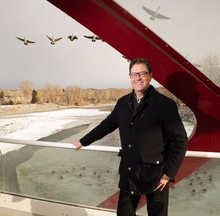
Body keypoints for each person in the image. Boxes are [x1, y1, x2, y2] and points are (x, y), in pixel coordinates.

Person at [71, 58, 188, 216]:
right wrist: (82, 141)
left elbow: (180, 141)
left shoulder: (164, 105)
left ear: (150, 76)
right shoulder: (123, 103)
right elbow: (106, 126)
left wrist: (168, 174)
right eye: (134, 74)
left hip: (156, 175)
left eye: (142, 74)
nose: (137, 78)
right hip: (129, 171)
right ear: (130, 77)